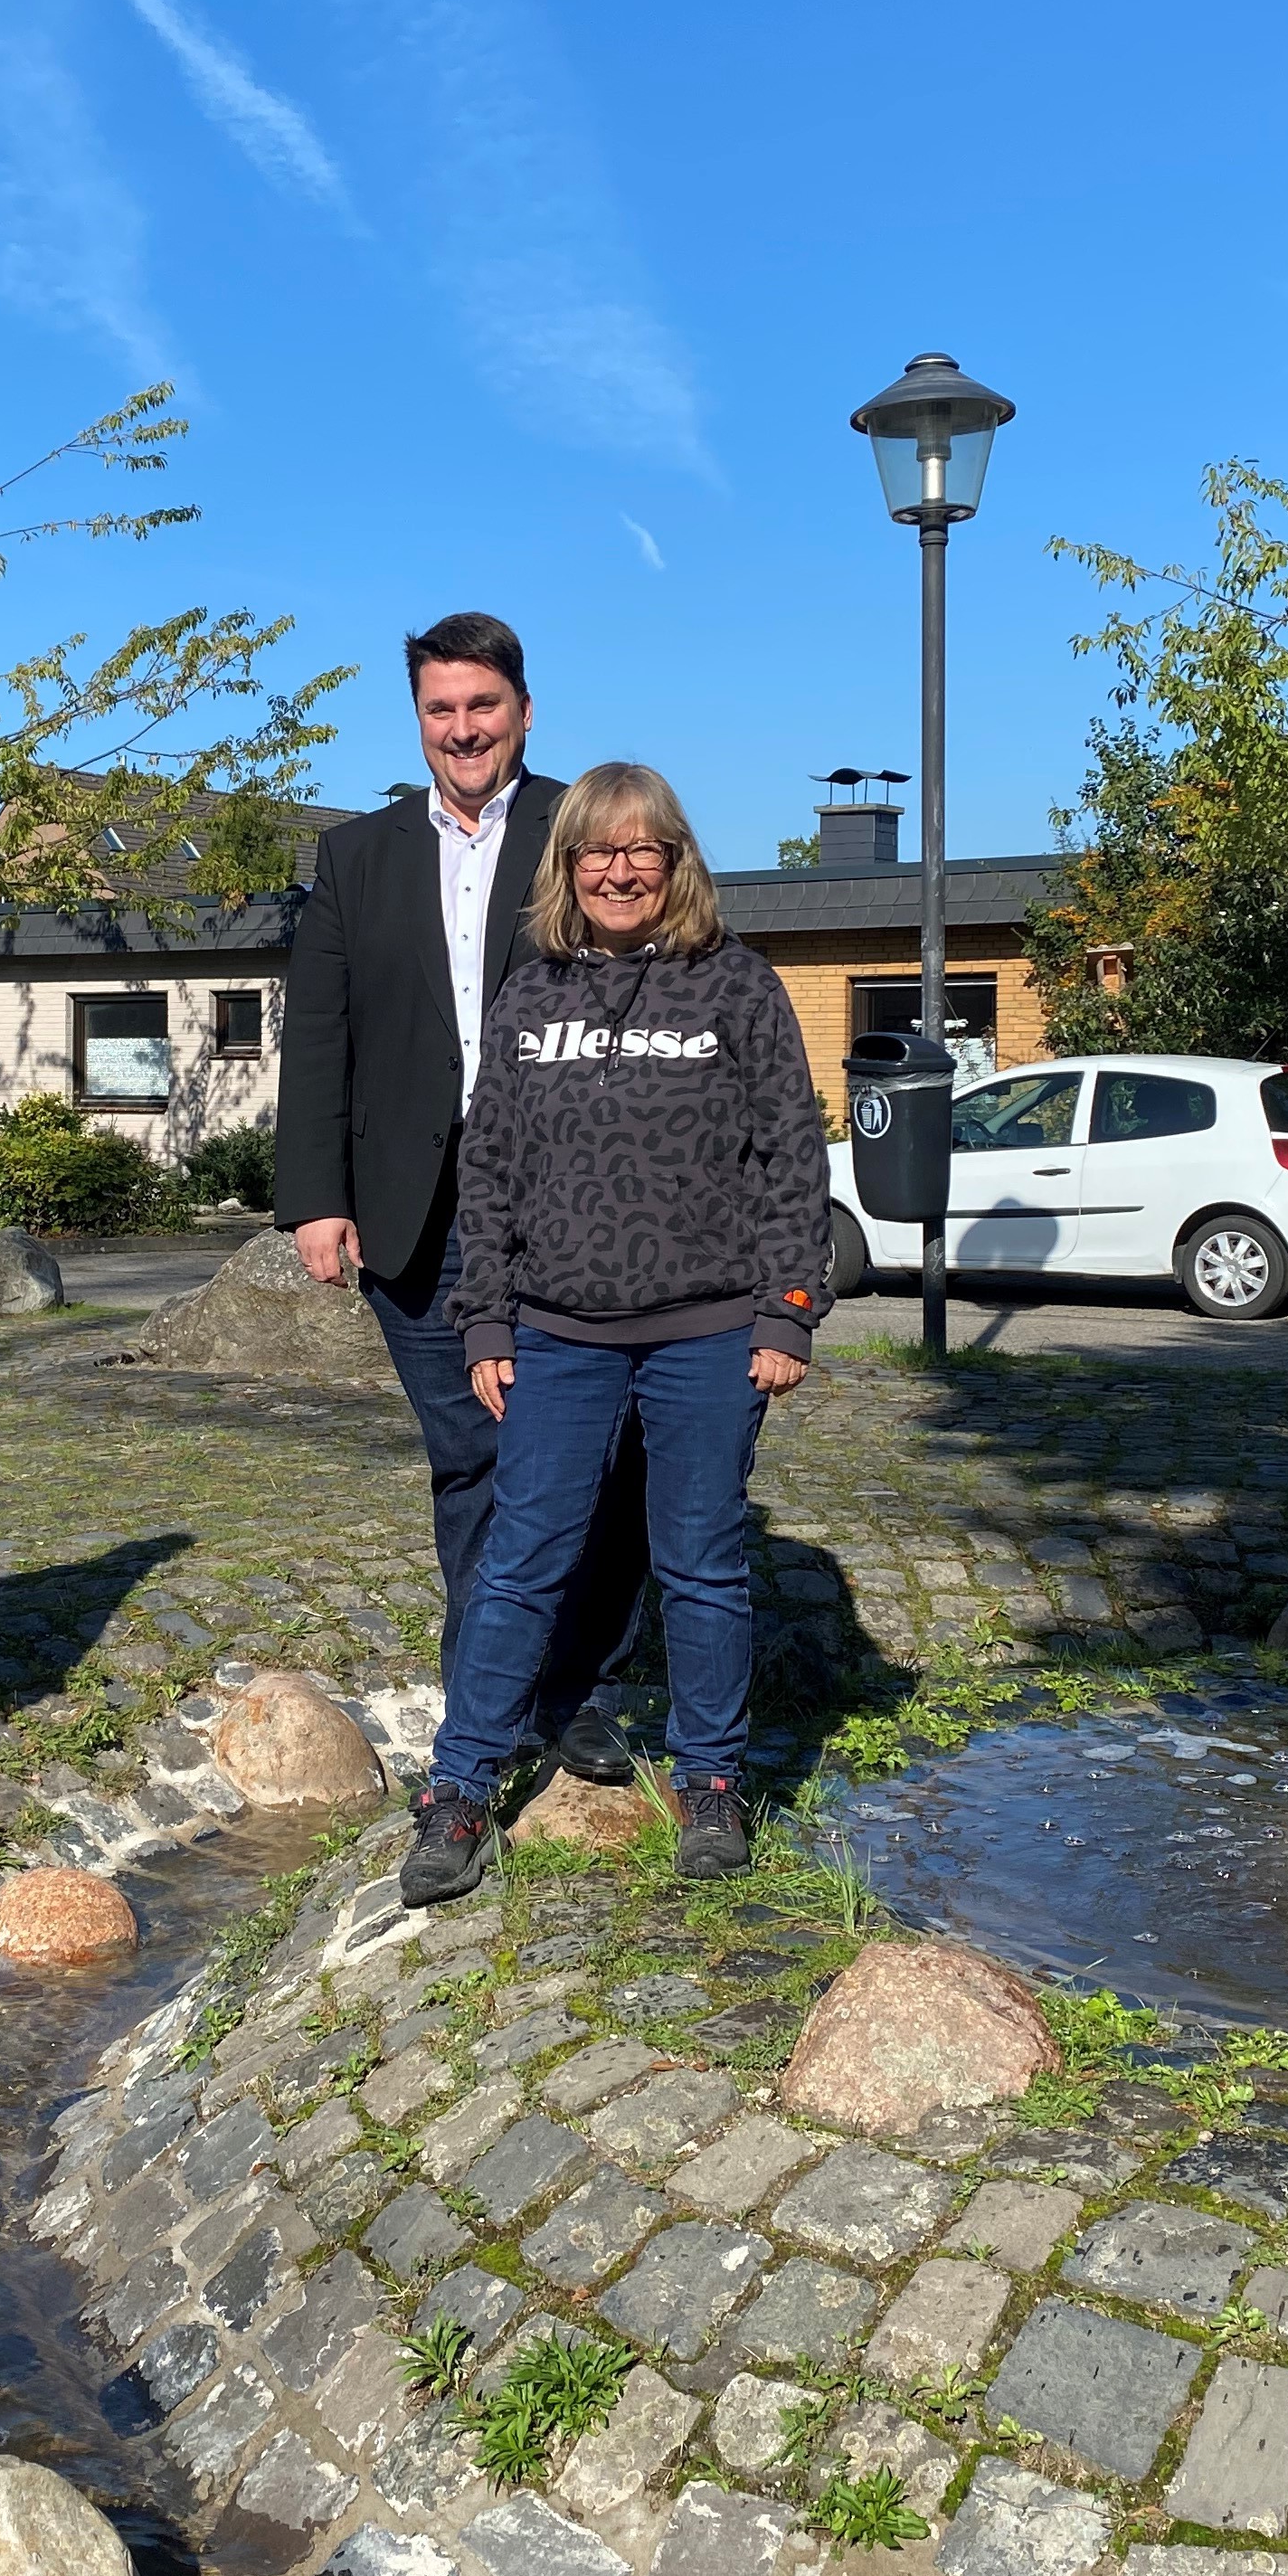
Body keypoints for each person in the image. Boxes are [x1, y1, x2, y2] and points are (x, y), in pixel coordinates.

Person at [399, 762, 830, 1903]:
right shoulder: (531, 996)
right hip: (557, 1335)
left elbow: (794, 1153)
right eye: (599, 851)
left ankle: (714, 1784)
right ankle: (459, 1789)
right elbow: (487, 1170)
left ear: (676, 862)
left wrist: (788, 1310)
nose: (621, 869)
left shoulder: (737, 988)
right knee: (522, 1562)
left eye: (644, 850)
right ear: (569, 866)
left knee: (701, 1563)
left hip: (708, 1332)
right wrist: (484, 1319)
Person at [276, 611, 644, 1775]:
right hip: (415, 1210)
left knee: (597, 1453)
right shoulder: (358, 856)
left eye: (483, 706)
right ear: (419, 722)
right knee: (472, 1458)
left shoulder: (583, 838)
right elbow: (321, 1033)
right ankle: (490, 1691)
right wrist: (315, 1197)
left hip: (572, 1206)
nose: (463, 728)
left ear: (524, 713)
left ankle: (578, 1690)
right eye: (442, 709)